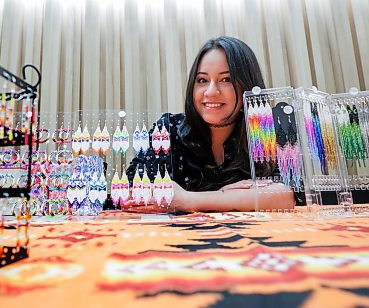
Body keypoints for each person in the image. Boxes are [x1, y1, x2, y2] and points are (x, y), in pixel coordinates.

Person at [125, 36, 295, 212]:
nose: (211, 91)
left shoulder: (265, 131)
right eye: (202, 80)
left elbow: (287, 195)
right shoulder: (169, 129)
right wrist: (234, 197)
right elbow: (131, 192)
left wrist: (189, 200)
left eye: (226, 79)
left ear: (247, 85)